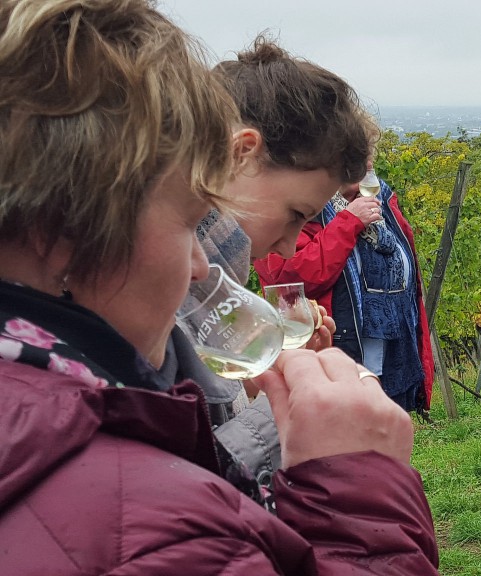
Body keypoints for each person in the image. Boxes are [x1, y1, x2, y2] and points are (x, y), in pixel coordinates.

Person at [0, 1, 439, 573]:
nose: (200, 266)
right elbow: (175, 501)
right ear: (63, 229)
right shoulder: (152, 532)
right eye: (190, 219)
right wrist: (355, 484)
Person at [159, 36, 375, 493]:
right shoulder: (154, 290)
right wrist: (289, 418)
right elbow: (176, 488)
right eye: (296, 214)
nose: (287, 246)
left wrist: (266, 378)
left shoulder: (204, 282)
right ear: (244, 153)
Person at [254, 153, 435, 415]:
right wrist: (348, 222)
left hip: (389, 353)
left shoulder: (379, 201)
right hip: (330, 354)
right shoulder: (298, 206)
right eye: (359, 166)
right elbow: (287, 281)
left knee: (385, 428)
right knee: (345, 435)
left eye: (370, 166)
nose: (369, 173)